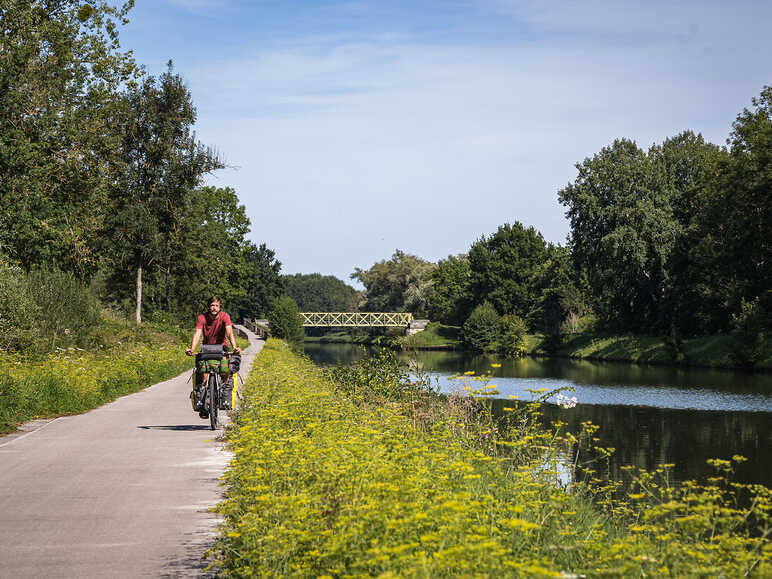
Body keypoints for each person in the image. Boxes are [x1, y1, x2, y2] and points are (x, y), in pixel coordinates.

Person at [186, 296, 241, 418]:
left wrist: (235, 347)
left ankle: (224, 386)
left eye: (216, 305)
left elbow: (229, 332)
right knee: (204, 375)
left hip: (222, 348)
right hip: (207, 348)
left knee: (225, 368)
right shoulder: (202, 317)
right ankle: (205, 403)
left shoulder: (224, 316)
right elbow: (197, 334)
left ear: (220, 307)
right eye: (212, 305)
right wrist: (192, 349)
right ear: (208, 306)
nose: (214, 308)